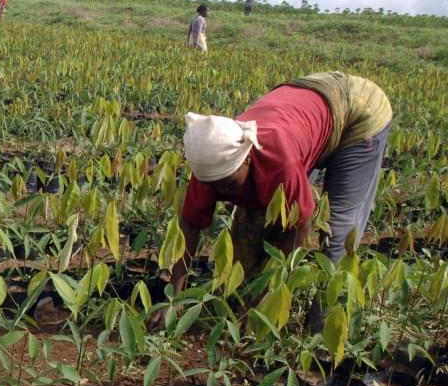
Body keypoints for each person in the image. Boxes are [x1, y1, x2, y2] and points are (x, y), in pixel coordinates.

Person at [151, 72, 392, 326]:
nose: (223, 193)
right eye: (214, 186)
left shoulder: (279, 161)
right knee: (252, 221)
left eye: (228, 184)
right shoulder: (210, 158)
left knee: (339, 229)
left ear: (246, 158)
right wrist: (174, 301)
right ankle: (241, 302)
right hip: (304, 106)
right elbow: (189, 225)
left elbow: (300, 227)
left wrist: (263, 301)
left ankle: (322, 330)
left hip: (359, 112)